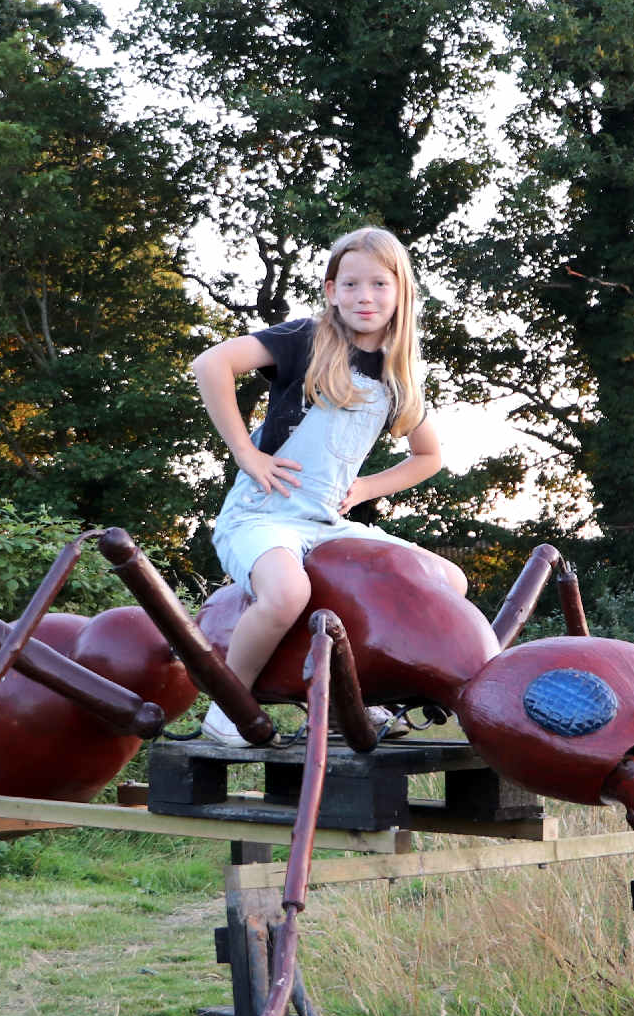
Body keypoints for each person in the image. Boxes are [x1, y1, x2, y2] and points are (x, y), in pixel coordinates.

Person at [191, 227, 463, 745]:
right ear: (331, 290)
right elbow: (212, 364)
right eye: (352, 284)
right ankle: (229, 705)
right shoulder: (305, 341)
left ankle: (358, 703)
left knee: (445, 580)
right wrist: (246, 454)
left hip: (326, 522)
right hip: (261, 516)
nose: (366, 297)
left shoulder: (399, 376)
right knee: (288, 591)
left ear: (401, 293)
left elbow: (428, 458)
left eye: (380, 285)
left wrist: (364, 489)